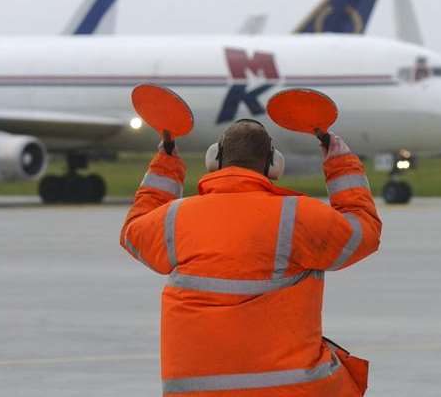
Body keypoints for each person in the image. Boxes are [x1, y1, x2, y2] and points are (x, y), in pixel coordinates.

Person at [120, 118, 382, 396]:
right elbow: (363, 233)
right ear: (273, 165)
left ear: (215, 160)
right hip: (290, 388)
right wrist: (340, 162)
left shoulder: (176, 217)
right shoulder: (297, 216)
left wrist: (165, 165)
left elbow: (133, 233)